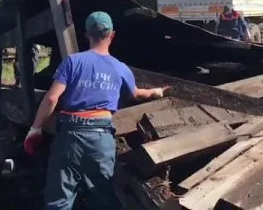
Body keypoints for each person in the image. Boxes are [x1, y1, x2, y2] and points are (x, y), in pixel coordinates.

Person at [23, 11, 170, 209]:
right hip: (101, 139)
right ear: (112, 35)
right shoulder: (120, 68)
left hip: (70, 137)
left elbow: (51, 98)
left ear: (87, 35)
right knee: (103, 196)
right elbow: (136, 94)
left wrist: (36, 128)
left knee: (59, 199)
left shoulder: (73, 62)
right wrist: (157, 91)